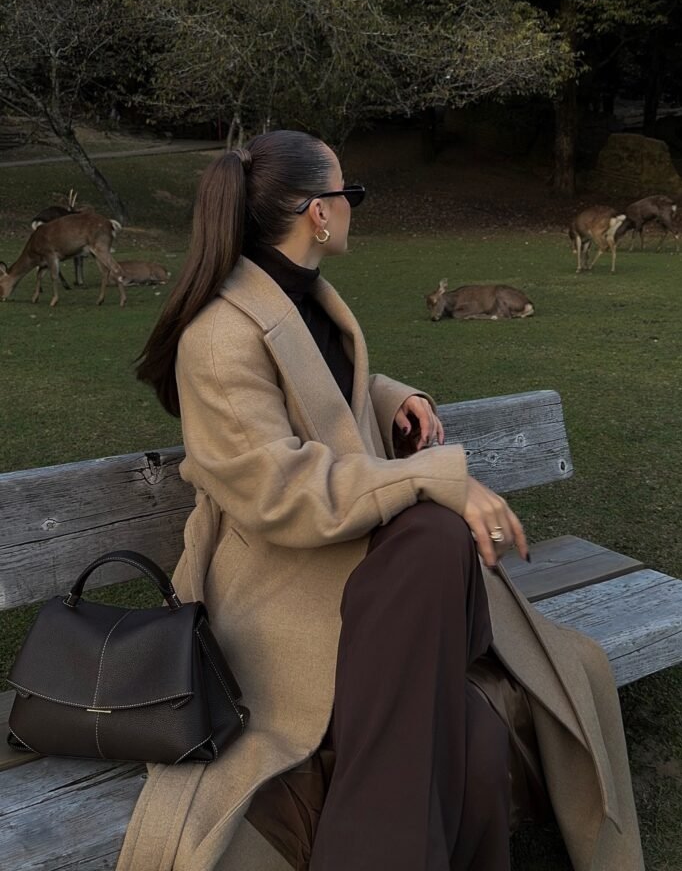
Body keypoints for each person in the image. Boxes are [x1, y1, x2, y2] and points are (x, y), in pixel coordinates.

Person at [121, 130, 644, 871]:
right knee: (440, 566)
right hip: (283, 591)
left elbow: (328, 393)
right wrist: (437, 478)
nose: (355, 210)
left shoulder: (304, 301)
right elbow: (280, 491)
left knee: (469, 718)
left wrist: (397, 398)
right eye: (350, 195)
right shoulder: (217, 337)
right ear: (318, 215)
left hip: (352, 567)